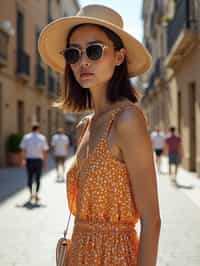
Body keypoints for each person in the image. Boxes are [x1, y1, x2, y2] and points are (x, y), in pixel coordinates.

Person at [38, 4, 161, 266]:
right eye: (74, 53)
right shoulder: (84, 126)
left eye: (94, 51)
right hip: (78, 255)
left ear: (119, 57)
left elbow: (152, 220)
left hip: (114, 258)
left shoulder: (127, 119)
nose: (83, 62)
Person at [20, 122, 49, 202]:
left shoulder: (26, 137)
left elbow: (22, 149)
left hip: (29, 160)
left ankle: (31, 194)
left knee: (29, 177)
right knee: (38, 178)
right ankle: (36, 194)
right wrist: (45, 162)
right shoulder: (42, 138)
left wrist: (23, 160)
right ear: (38, 129)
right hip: (38, 160)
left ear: (32, 129)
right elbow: (45, 151)